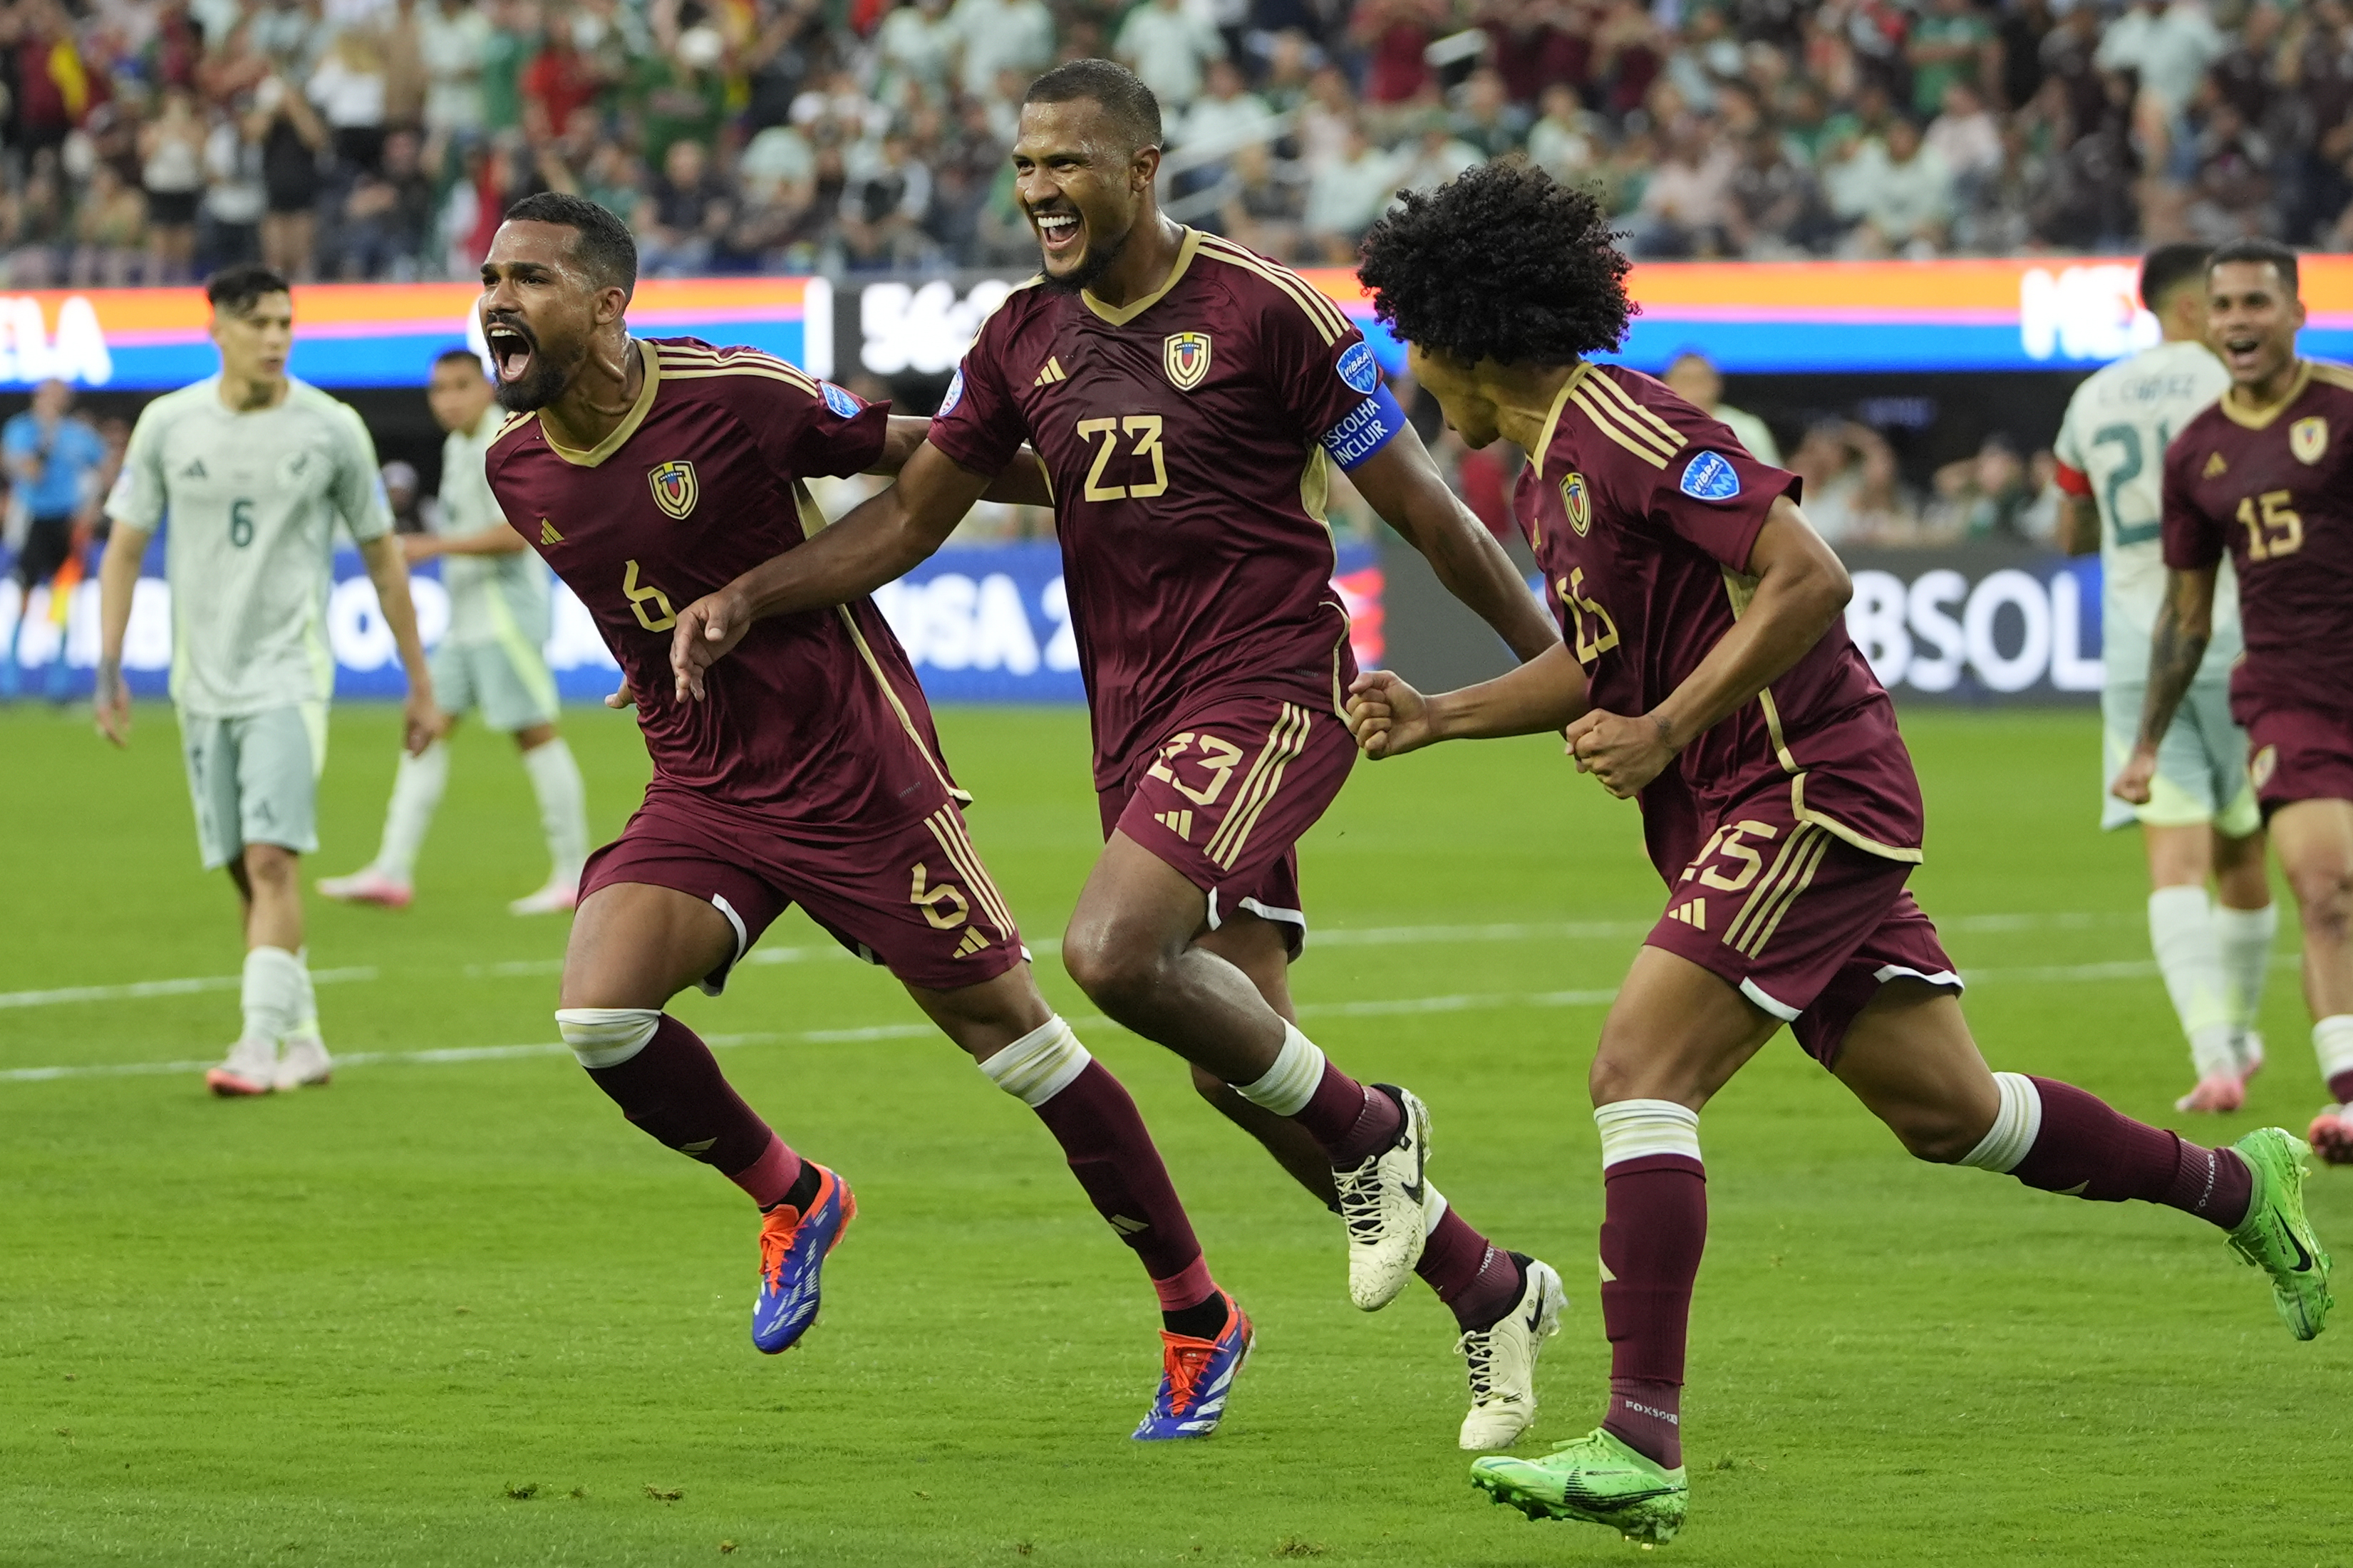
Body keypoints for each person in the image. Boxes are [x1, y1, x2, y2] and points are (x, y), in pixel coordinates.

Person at [1345, 163, 2330, 1545]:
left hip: (1803, 788)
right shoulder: (1547, 468)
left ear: (1461, 321)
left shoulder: (1628, 424)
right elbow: (1604, 663)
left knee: (1636, 1069)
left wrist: (1668, 723)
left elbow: (1810, 572)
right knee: (1954, 1113)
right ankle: (2243, 1183)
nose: (1404, 358)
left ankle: (1639, 1438)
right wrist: (1440, 711)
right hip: (1739, 801)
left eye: (1411, 327)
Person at [660, 60, 1574, 1453]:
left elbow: (1432, 516)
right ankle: (1489, 1284)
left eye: (1068, 164)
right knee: (1234, 1060)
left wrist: (1563, 671)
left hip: (1270, 688)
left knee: (1105, 949)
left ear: (1144, 169)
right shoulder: (1021, 335)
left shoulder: (1266, 312)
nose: (1040, 191)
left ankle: (1384, 1125)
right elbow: (908, 519)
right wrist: (753, 593)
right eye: (1025, 166)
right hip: (1139, 727)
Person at [471, 191, 1251, 1440]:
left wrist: (1115, 485)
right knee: (600, 1016)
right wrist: (647, 655)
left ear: (610, 305)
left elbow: (922, 455)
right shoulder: (515, 467)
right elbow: (632, 595)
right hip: (705, 784)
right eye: (493, 276)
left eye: (531, 279)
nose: (499, 299)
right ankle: (794, 1193)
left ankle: (1198, 1312)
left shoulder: (734, 395)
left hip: (856, 778)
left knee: (1028, 1058)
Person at [92, 264, 444, 1097]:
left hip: (289, 675)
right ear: (216, 327)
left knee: (271, 859)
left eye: (286, 322)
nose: (277, 337)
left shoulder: (331, 429)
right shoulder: (168, 424)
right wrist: (108, 664)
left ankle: (256, 1044)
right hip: (198, 682)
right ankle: (305, 1035)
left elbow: (384, 560)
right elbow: (125, 547)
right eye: (258, 323)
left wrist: (418, 681)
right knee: (244, 871)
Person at [2118, 238, 2353, 1166]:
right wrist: (2146, 742)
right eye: (2223, 308)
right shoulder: (2197, 453)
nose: (2238, 323)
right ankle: (2346, 1094)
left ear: (2296, 312)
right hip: (2290, 695)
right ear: (2203, 321)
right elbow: (2185, 616)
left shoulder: (2341, 414)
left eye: (2257, 304)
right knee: (2322, 887)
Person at [2052, 243, 2273, 1113]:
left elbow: (2070, 530)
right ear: (2196, 308)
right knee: (2242, 846)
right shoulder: (2238, 389)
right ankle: (2243, 1030)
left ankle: (2213, 1055)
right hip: (2251, 637)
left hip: (2140, 653)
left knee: (2173, 862)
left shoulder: (2092, 395)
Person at [319, 348, 589, 915]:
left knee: (534, 733)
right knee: (426, 729)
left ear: (487, 388)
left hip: (504, 619)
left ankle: (571, 874)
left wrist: (431, 546)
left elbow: (520, 534)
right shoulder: (459, 445)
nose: (449, 399)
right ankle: (391, 870)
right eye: (439, 389)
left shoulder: (505, 440)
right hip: (466, 622)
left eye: (461, 386)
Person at [2, 378, 107, 702]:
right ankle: (9, 681)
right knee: (24, 597)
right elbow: (31, 473)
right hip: (34, 520)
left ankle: (59, 684)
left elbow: (105, 467)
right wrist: (44, 442)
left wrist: (91, 506)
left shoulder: (78, 434)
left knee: (63, 599)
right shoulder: (21, 431)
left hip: (67, 523)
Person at [1660, 351, 1779, 467]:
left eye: (1700, 380)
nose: (1694, 388)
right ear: (1666, 385)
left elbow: (1775, 481)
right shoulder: (1654, 432)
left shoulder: (1748, 428)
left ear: (1716, 384)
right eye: (1685, 380)